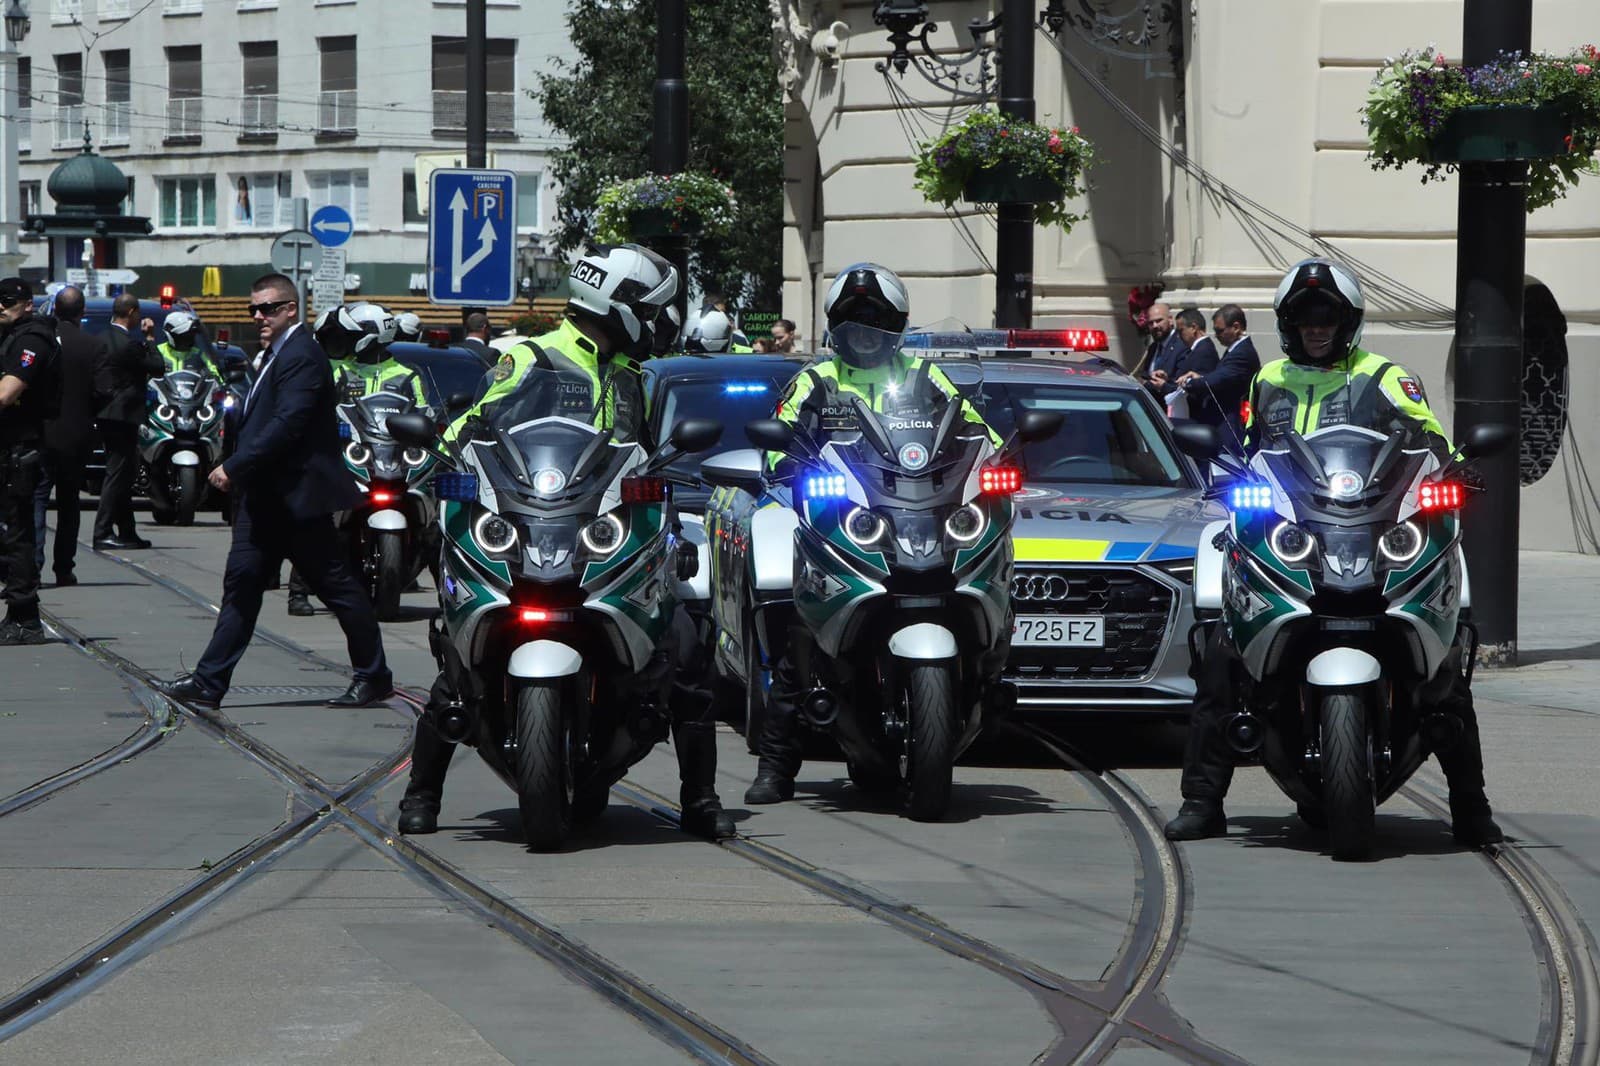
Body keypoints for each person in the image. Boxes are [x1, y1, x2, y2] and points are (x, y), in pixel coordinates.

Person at [1162, 257, 1503, 847]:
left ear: (1349, 321)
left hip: (1369, 531)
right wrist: (1230, 475)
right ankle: (1202, 800)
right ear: (1288, 323)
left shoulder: (1386, 376)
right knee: (1222, 651)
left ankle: (1472, 808)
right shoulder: (1268, 380)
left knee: (1446, 664)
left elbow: (1428, 438)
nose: (1316, 327)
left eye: (1327, 316)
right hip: (1290, 535)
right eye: (1304, 317)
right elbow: (1251, 449)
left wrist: (1454, 470)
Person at [401, 242, 736, 841]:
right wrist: (441, 456)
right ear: (622, 305)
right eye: (654, 310)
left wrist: (668, 472)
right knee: (458, 657)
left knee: (686, 645)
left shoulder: (636, 380)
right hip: (531, 525)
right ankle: (421, 794)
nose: (660, 324)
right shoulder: (531, 359)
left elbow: (656, 451)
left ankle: (701, 798)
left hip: (613, 537)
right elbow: (471, 427)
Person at [744, 263, 1000, 805]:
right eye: (854, 320)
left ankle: (984, 681)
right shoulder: (817, 378)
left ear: (897, 324)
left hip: (919, 510)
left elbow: (976, 428)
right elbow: (779, 439)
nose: (863, 331)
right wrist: (789, 469)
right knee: (799, 630)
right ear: (836, 324)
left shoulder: (923, 375)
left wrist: (992, 458)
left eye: (875, 320)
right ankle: (776, 766)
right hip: (844, 518)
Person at [155, 273, 392, 710]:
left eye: (267, 308)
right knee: (241, 584)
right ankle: (210, 681)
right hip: (264, 500)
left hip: (295, 499)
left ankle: (373, 674)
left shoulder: (302, 355)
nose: (258, 316)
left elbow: (289, 424)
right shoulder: (270, 355)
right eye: (253, 309)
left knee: (337, 586)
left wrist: (236, 465)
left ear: (291, 309)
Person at [285, 302, 430, 617]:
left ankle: (448, 593)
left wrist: (431, 427)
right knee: (320, 514)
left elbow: (424, 409)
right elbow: (316, 401)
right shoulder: (340, 370)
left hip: (393, 457)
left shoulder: (408, 375)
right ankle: (298, 590)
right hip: (349, 457)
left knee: (437, 519)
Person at [0, 278, 62, 645]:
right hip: (10, 446)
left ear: (27, 303)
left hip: (22, 448)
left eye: (7, 300)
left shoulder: (32, 339)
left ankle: (25, 618)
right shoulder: (11, 336)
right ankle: (20, 612)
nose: (0, 306)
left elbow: (7, 392)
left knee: (17, 533)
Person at [32, 286, 100, 587]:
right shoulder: (91, 345)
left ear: (54, 310)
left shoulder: (40, 342)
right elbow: (102, 391)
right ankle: (63, 567)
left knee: (36, 500)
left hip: (41, 434)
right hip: (76, 437)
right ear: (82, 312)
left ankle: (32, 565)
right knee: (69, 503)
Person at [91, 292, 162, 551]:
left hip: (105, 414)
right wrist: (150, 339)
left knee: (124, 473)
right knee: (117, 473)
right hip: (124, 416)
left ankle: (127, 530)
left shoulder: (99, 340)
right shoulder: (129, 344)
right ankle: (103, 531)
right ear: (132, 312)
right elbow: (157, 366)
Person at [1176, 304, 1259, 440]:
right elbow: (1219, 376)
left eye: (1220, 331)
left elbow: (1216, 381)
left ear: (1236, 327)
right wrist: (1201, 377)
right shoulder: (1234, 349)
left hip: (1232, 427)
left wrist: (1189, 382)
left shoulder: (1243, 353)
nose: (1216, 336)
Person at [155, 310, 223, 379]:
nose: (190, 338)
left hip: (193, 389)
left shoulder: (199, 354)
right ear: (172, 335)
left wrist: (219, 382)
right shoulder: (158, 352)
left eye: (192, 334)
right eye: (185, 335)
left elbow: (215, 376)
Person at [1136, 302, 1183, 394]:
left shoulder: (1181, 346)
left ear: (1170, 320)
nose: (1155, 326)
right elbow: (1144, 376)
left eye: (1159, 321)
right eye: (1151, 323)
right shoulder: (1153, 348)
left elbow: (1179, 383)